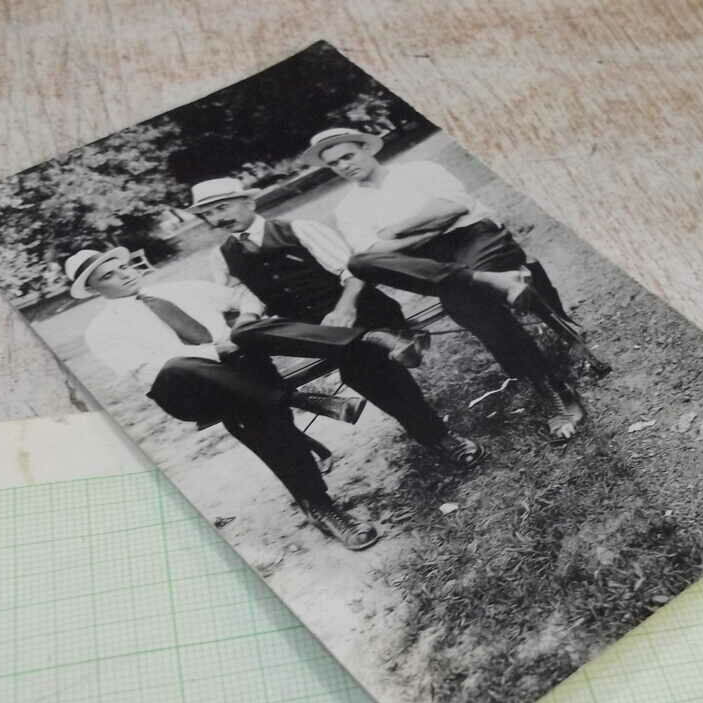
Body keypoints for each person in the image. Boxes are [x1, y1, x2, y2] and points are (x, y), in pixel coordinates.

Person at [64, 245, 381, 550]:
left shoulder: (181, 289)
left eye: (123, 267)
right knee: (184, 368)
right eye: (108, 276)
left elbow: (244, 295)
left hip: (244, 372)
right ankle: (298, 401)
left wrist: (245, 318)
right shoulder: (102, 330)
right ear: (92, 289)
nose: (124, 275)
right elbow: (149, 371)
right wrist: (214, 350)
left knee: (266, 424)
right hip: (188, 391)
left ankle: (317, 502)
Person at [304, 127, 598, 441]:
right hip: (428, 264)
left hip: (476, 239)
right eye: (335, 164)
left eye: (348, 155)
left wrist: (395, 232)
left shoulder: (420, 171)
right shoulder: (348, 210)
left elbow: (454, 208)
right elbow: (371, 256)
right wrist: (426, 229)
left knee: (466, 302)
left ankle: (553, 392)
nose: (345, 165)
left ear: (367, 148)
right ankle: (548, 380)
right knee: (363, 264)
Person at [186, 177, 484, 466]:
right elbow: (243, 293)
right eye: (209, 214)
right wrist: (249, 317)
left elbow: (354, 272)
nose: (217, 217)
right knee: (241, 335)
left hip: (363, 310)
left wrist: (345, 310)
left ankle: (438, 437)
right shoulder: (222, 255)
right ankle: (367, 343)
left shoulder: (299, 228)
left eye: (223, 207)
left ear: (249, 202)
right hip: (309, 331)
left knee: (365, 370)